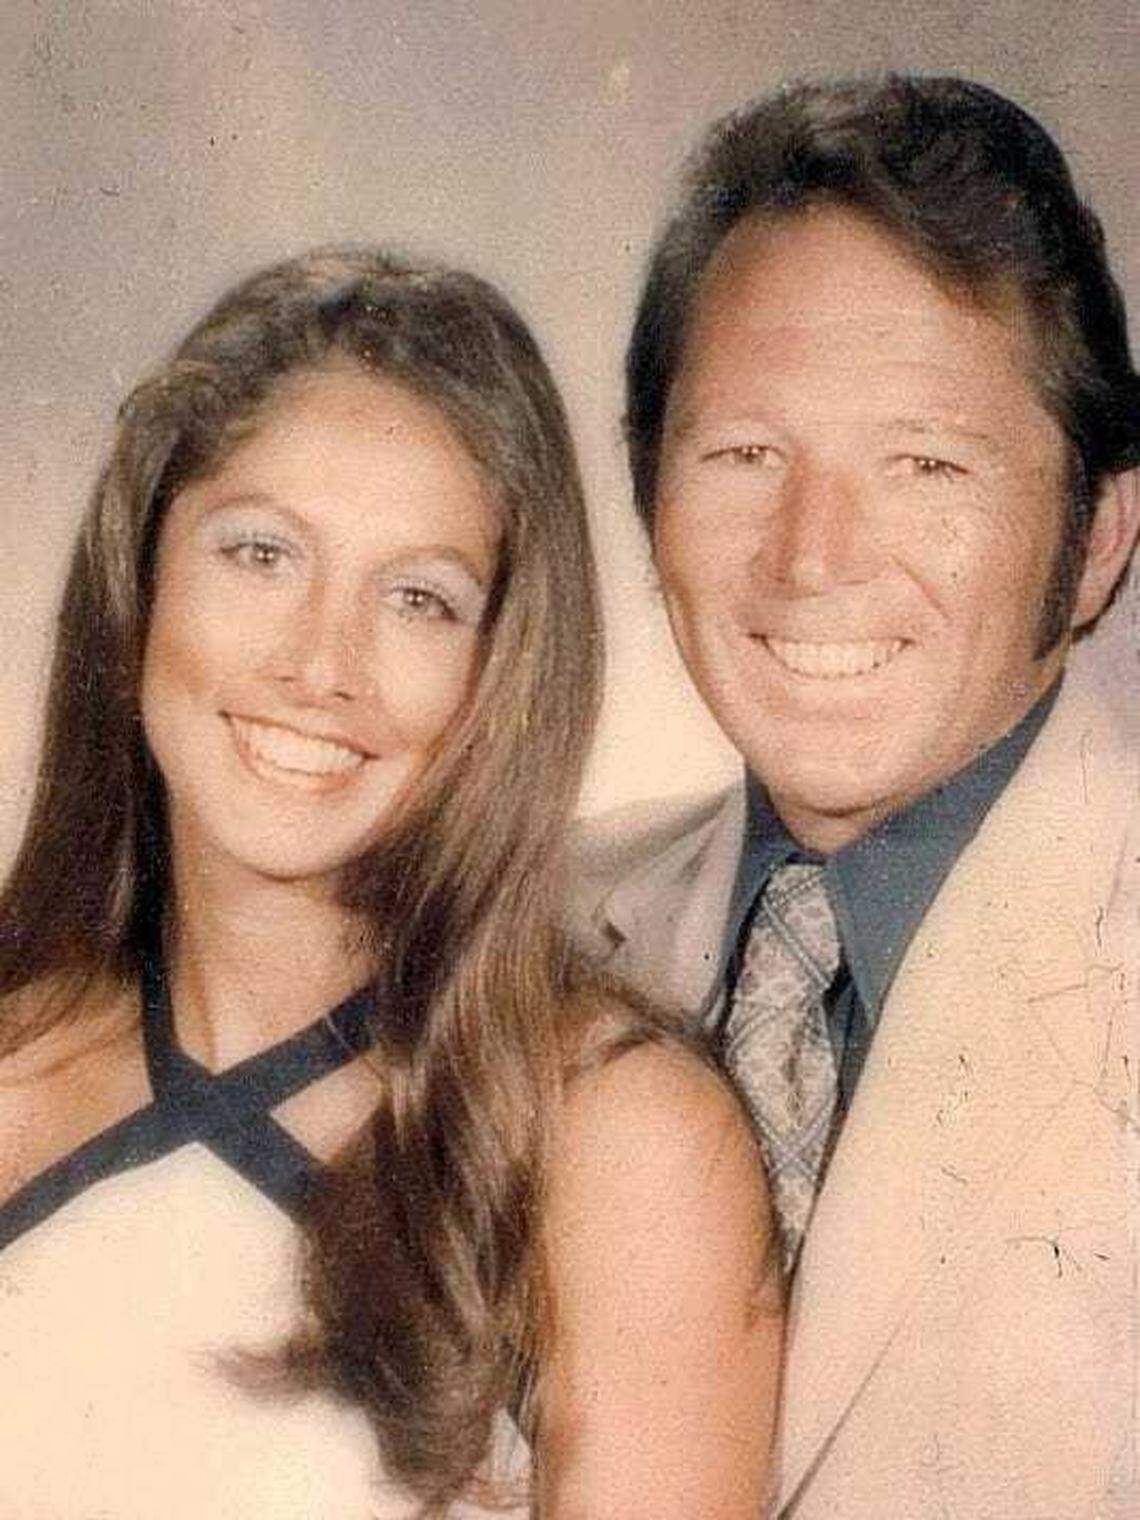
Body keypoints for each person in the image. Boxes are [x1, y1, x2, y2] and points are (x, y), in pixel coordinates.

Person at [0, 248, 781, 1518]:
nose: (322, 663)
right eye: (260, 553)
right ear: (140, 572)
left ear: (502, 669)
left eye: (419, 597)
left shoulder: (613, 1139)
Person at [574, 74, 1140, 1517]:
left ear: (1097, 541)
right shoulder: (526, 930)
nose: (813, 556)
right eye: (746, 455)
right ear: (647, 491)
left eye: (926, 461)